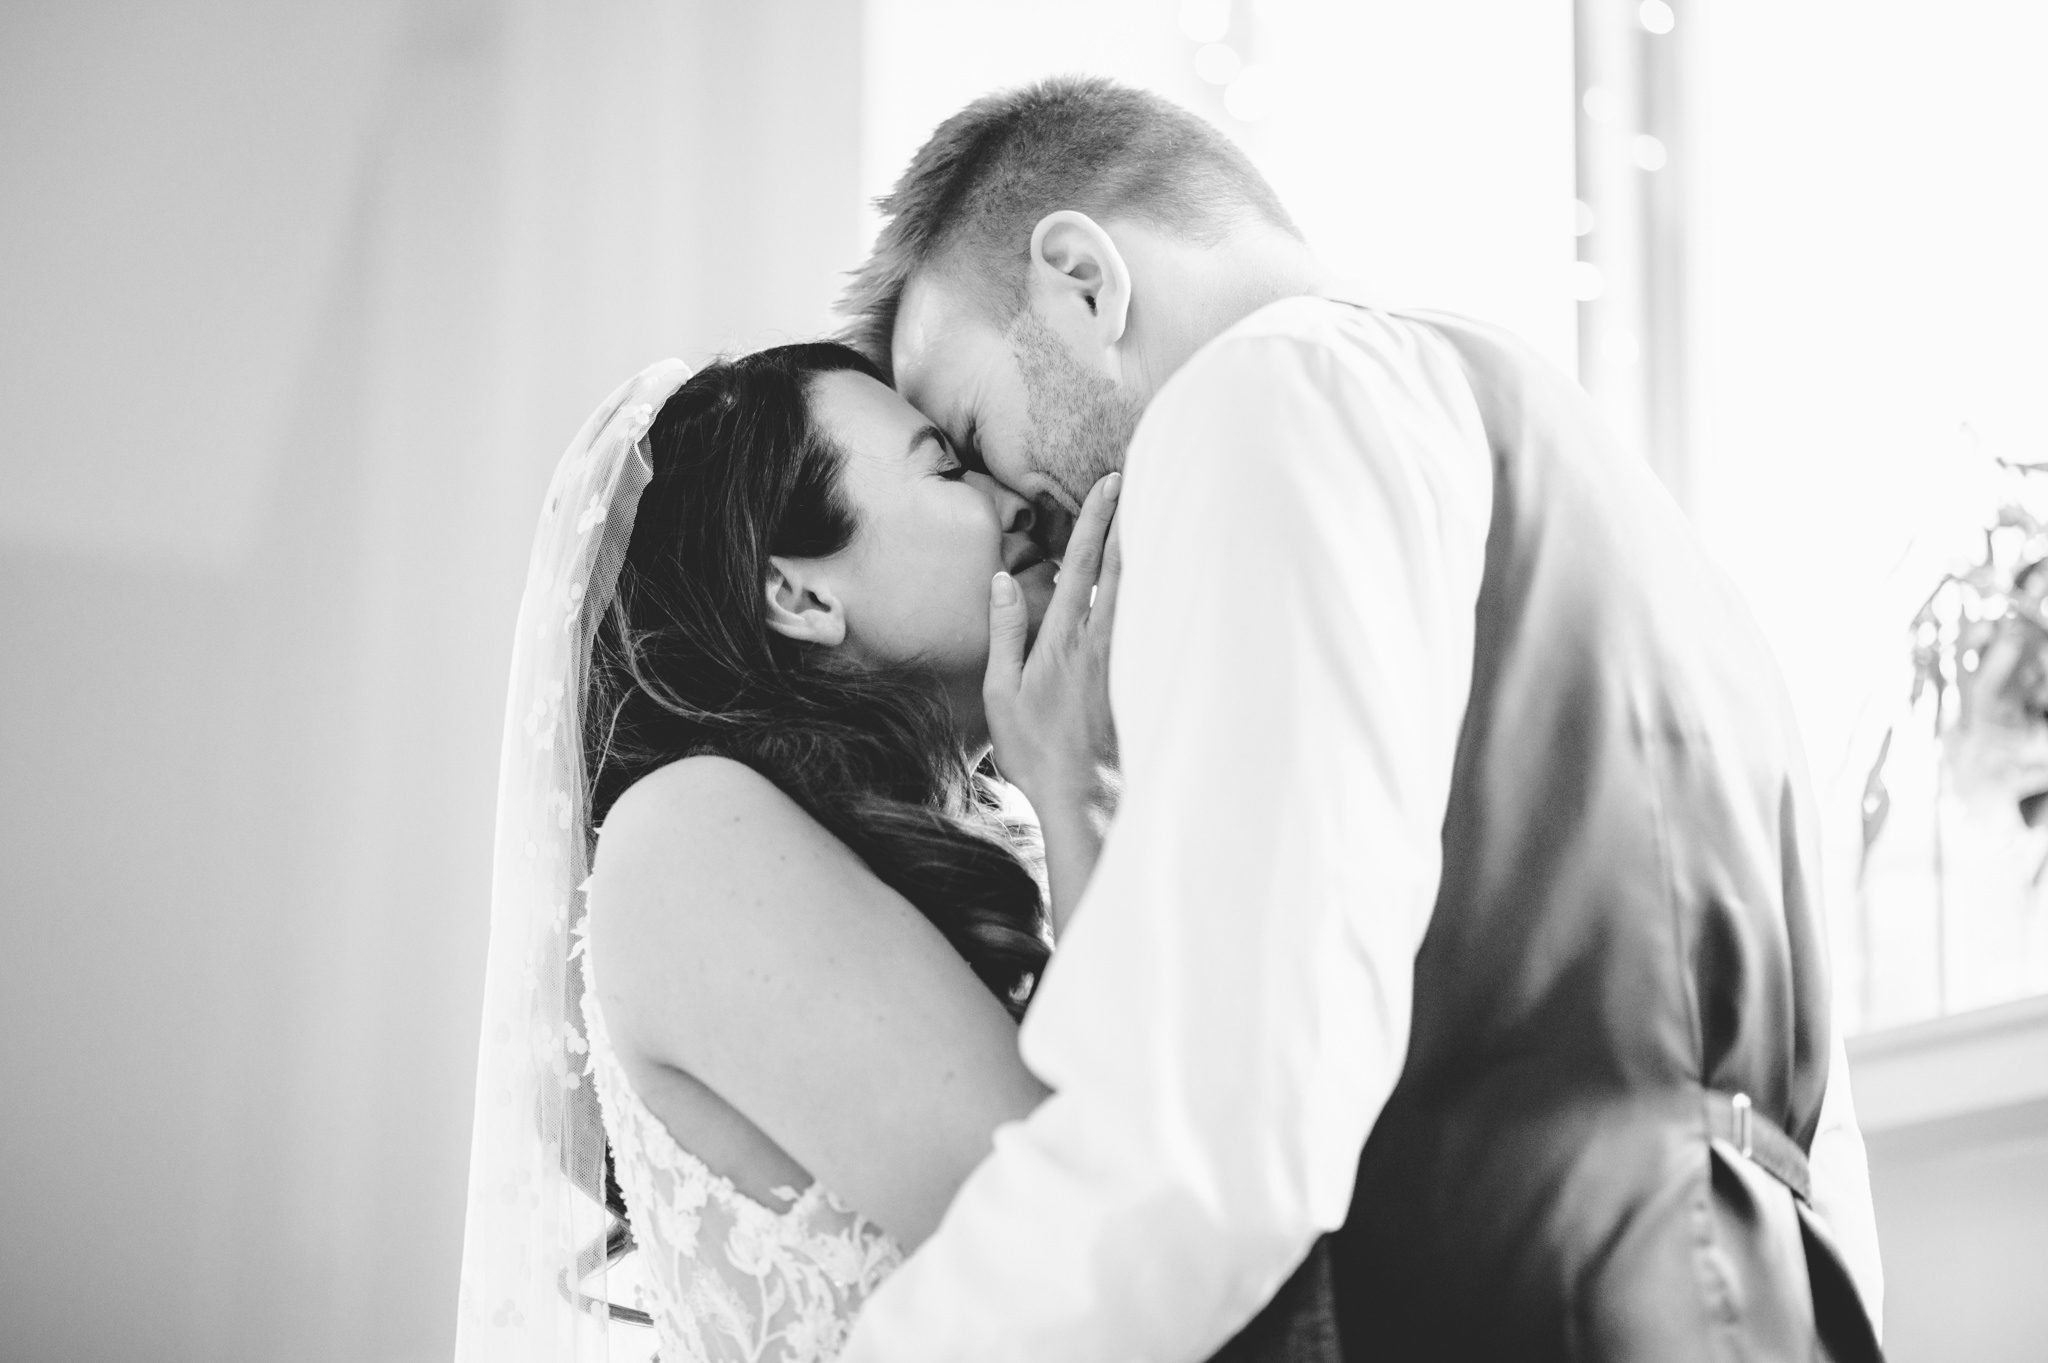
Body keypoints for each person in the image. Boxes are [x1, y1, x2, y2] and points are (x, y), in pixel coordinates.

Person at [828, 76, 1888, 1363]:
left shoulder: (1256, 401)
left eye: (966, 429)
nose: (1016, 525)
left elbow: (1216, 1126)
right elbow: (1819, 1154)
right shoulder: (1602, 487)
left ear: (1080, 281)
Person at [452, 343, 1124, 1363]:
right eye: (947, 465)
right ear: (799, 596)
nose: (1020, 498)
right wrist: (1075, 792)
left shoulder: (933, 846)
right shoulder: (688, 832)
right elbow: (1079, 1259)